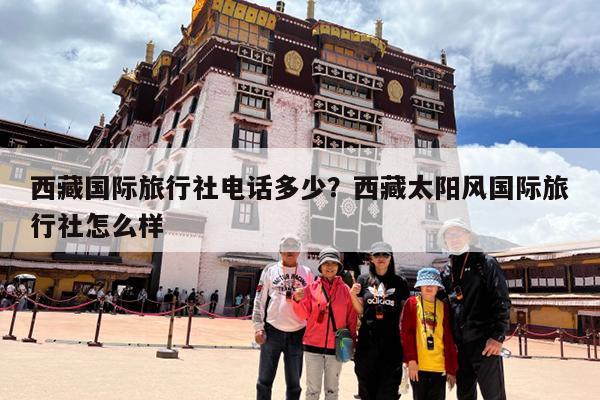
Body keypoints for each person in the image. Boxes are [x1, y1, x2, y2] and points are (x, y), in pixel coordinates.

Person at [438, 218, 511, 400]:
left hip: (485, 343)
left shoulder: (485, 263)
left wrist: (497, 337)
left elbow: (501, 299)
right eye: (449, 235)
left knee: (493, 395)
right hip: (460, 347)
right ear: (444, 240)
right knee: (464, 395)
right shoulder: (447, 270)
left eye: (458, 233)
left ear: (468, 236)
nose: (454, 238)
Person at [253, 234, 314, 400]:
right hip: (272, 331)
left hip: (298, 333)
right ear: (280, 251)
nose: (290, 251)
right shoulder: (270, 270)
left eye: (294, 247)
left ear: (299, 251)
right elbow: (259, 299)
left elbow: (313, 302)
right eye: (286, 247)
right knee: (264, 381)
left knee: (294, 384)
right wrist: (258, 327)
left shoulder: (307, 272)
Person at [292, 247, 357, 400]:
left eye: (333, 263)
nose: (330, 267)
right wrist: (297, 300)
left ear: (339, 267)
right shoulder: (310, 289)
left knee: (332, 390)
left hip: (337, 348)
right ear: (320, 266)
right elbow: (303, 314)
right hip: (312, 347)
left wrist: (353, 341)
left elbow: (351, 318)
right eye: (326, 263)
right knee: (312, 391)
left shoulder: (346, 290)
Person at [352, 241, 410, 400]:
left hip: (391, 344)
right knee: (366, 390)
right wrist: (352, 295)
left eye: (385, 254)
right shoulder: (363, 279)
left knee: (388, 392)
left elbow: (405, 314)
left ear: (391, 258)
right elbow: (360, 311)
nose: (381, 258)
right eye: (377, 254)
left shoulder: (400, 282)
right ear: (371, 258)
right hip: (367, 343)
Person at [401, 267, 458, 400]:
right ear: (419, 287)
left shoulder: (443, 306)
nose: (429, 287)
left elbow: (449, 339)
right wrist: (411, 360)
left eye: (432, 285)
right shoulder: (412, 303)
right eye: (425, 284)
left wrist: (451, 369)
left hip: (439, 367)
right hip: (418, 366)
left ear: (438, 288)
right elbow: (406, 334)